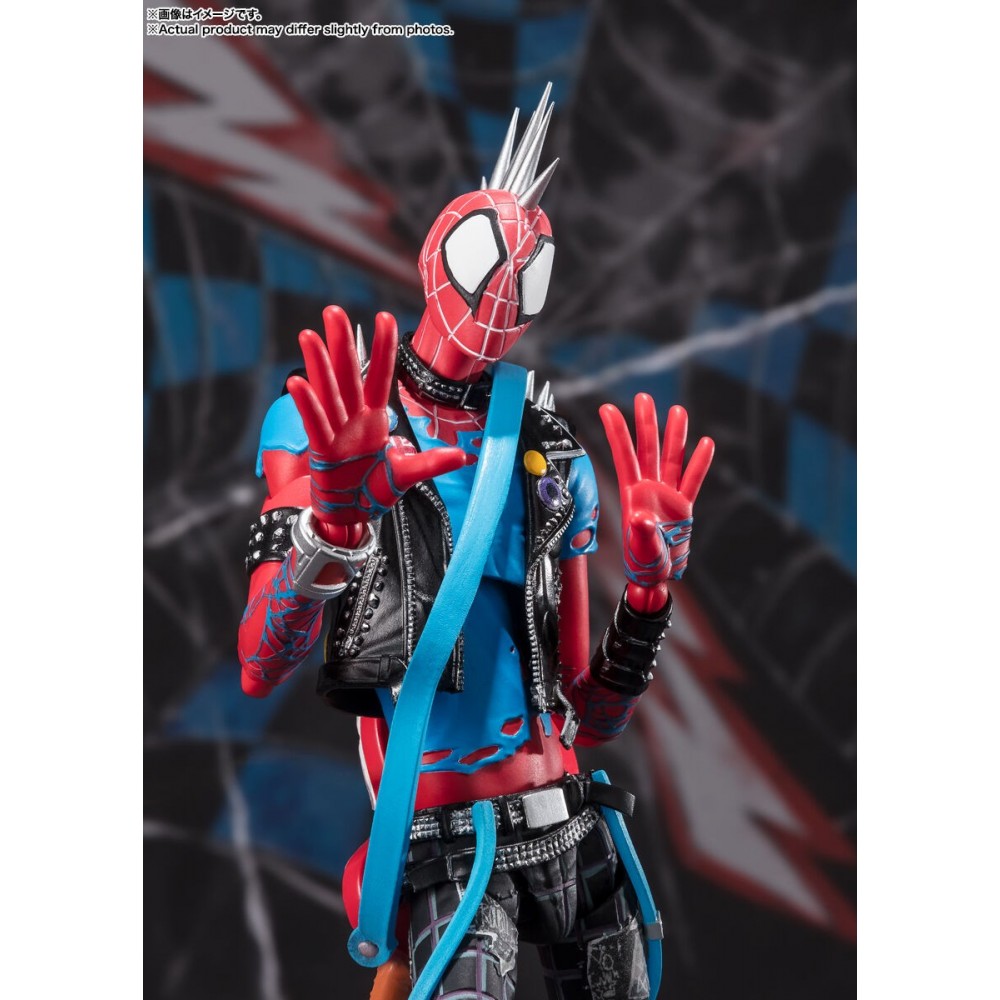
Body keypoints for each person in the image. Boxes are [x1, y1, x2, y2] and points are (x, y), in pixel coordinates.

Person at [237, 85, 714, 1000]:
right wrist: (331, 526)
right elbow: (261, 661)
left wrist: (649, 597)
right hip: (451, 846)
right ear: (435, 254)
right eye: (481, 253)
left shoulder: (552, 454)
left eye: (525, 274)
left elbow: (590, 714)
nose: (498, 285)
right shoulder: (331, 421)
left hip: (576, 829)